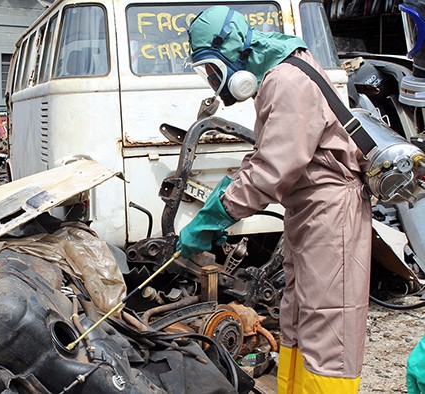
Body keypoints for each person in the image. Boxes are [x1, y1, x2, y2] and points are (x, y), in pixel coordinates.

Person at [178, 6, 372, 393]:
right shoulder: (278, 74)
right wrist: (226, 195)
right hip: (309, 210)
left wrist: (217, 215)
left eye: (214, 70)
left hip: (331, 210)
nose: (216, 82)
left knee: (328, 328)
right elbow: (268, 152)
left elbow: (273, 167)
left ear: (234, 49)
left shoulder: (286, 80)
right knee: (298, 317)